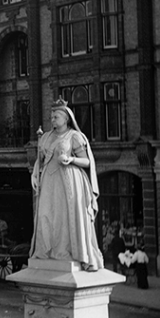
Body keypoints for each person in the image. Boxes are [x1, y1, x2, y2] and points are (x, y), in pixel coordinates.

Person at [30, 98, 104, 271]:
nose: (53, 120)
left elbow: (87, 161)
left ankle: (66, 252)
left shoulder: (75, 137)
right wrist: (35, 174)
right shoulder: (46, 137)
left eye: (56, 116)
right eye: (52, 117)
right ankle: (45, 251)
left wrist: (71, 159)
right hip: (49, 180)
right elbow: (39, 160)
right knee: (45, 215)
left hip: (68, 181)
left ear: (66, 118)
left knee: (64, 217)